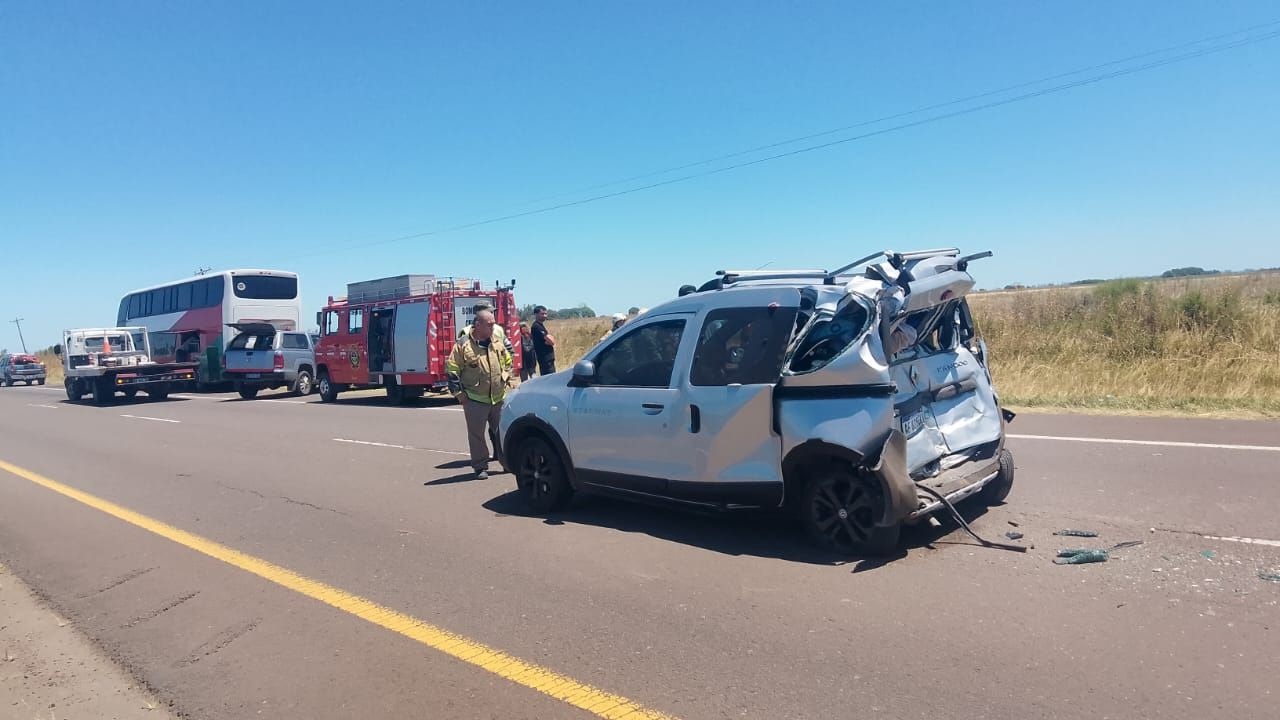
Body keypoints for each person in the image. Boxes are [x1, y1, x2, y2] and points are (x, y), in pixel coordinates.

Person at [446, 309, 514, 479]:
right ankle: (480, 466)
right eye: (489, 324)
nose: (493, 327)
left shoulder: (496, 341)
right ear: (477, 325)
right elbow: (452, 369)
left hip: (498, 398)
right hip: (474, 399)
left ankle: (506, 462)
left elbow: (508, 360)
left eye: (493, 324)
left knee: (502, 432)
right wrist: (458, 394)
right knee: (477, 435)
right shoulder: (463, 345)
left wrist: (506, 377)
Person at [530, 305, 556, 375]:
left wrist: (549, 340)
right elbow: (551, 341)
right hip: (544, 358)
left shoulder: (541, 325)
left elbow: (551, 340)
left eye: (545, 314)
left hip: (548, 358)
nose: (544, 316)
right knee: (549, 378)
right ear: (536, 314)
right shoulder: (536, 326)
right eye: (542, 314)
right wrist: (549, 340)